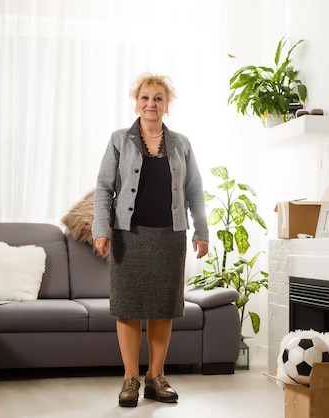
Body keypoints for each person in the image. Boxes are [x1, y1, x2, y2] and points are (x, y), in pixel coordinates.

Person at [92, 73, 209, 407]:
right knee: (127, 309)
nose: (151, 104)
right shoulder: (119, 140)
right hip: (129, 235)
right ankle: (130, 378)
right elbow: (104, 186)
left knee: (162, 310)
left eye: (158, 98)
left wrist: (201, 231)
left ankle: (156, 377)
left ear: (166, 105)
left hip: (170, 236)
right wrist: (102, 229)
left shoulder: (182, 144)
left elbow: (195, 191)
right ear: (136, 102)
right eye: (145, 97)